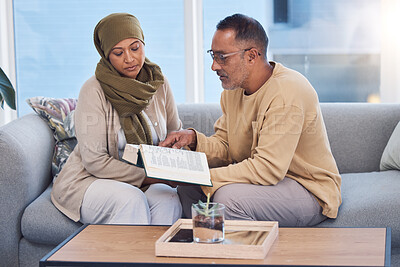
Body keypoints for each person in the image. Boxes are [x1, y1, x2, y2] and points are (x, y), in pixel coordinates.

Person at [159, 14, 342, 227]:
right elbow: (227, 147)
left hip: (308, 189)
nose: (214, 67)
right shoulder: (233, 90)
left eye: (222, 57)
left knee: (229, 199)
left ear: (252, 56)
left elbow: (267, 168)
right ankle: (204, 251)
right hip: (270, 184)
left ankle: (239, 258)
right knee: (188, 188)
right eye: (213, 56)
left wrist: (204, 176)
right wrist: (193, 140)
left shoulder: (286, 93)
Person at [51, 13, 183, 225]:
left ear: (144, 44)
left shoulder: (158, 82)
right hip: (90, 180)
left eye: (135, 48)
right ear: (106, 56)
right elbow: (94, 161)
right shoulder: (93, 89)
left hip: (145, 180)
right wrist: (152, 176)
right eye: (118, 52)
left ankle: (158, 257)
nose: (129, 59)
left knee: (169, 198)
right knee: (131, 200)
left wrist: (179, 166)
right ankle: (130, 258)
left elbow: (175, 135)